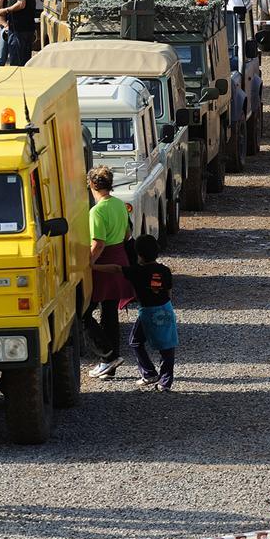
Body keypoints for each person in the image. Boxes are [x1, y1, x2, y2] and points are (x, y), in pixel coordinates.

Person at [95, 234, 178, 391]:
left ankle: (148, 373)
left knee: (135, 341)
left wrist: (93, 266)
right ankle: (165, 382)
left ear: (138, 255)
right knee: (167, 346)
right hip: (166, 309)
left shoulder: (136, 271)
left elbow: (116, 269)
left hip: (148, 312)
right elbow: (169, 293)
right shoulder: (165, 270)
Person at [84, 165, 134, 380]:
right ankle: (109, 365)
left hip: (103, 266)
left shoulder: (97, 210)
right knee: (110, 312)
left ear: (92, 185)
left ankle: (107, 355)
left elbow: (99, 243)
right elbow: (127, 234)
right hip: (120, 261)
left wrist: (88, 264)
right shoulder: (119, 204)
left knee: (84, 314)